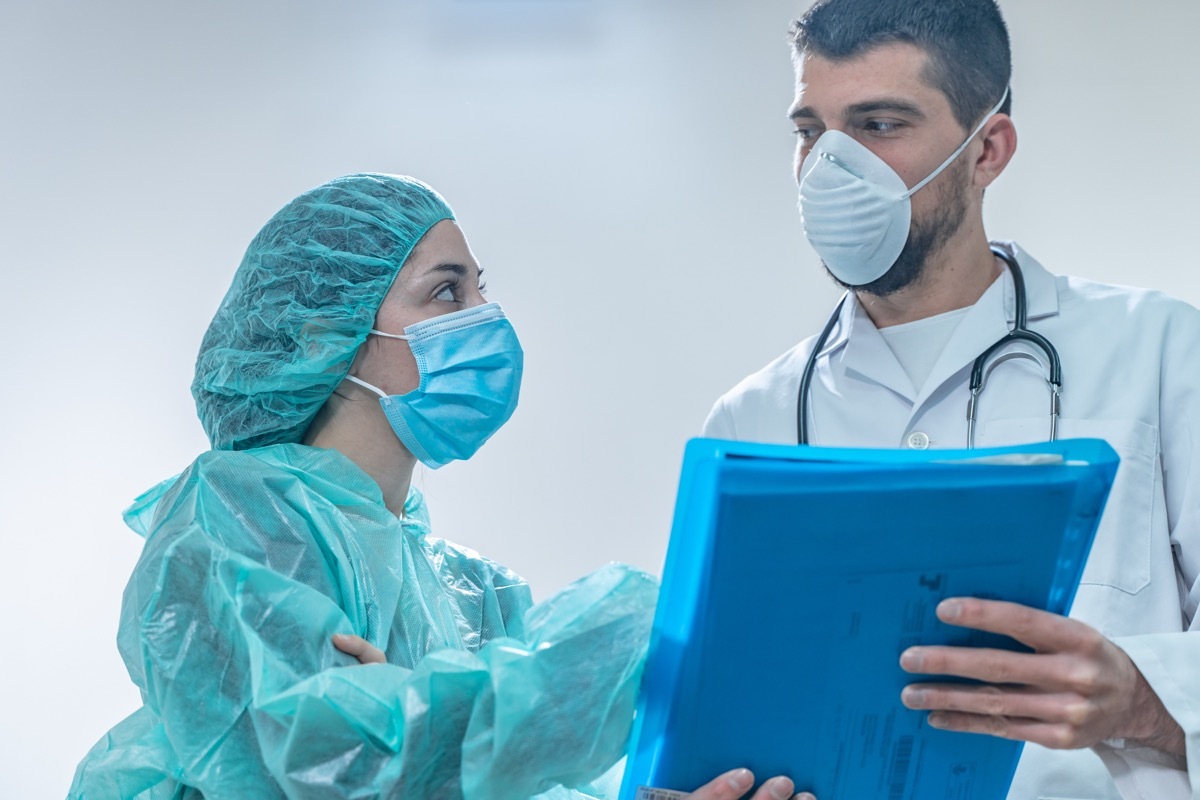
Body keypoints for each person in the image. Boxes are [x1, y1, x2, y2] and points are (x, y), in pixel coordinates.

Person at [703, 1, 1198, 798]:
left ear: (987, 150)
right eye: (809, 131)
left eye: (878, 124)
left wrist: (1143, 698)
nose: (829, 166)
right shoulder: (752, 420)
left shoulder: (1162, 352)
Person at [69, 173, 662, 800]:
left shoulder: (478, 594)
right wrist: (640, 640)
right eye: (445, 292)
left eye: (480, 289)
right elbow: (337, 761)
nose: (484, 318)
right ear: (324, 335)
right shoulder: (236, 520)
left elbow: (491, 772)